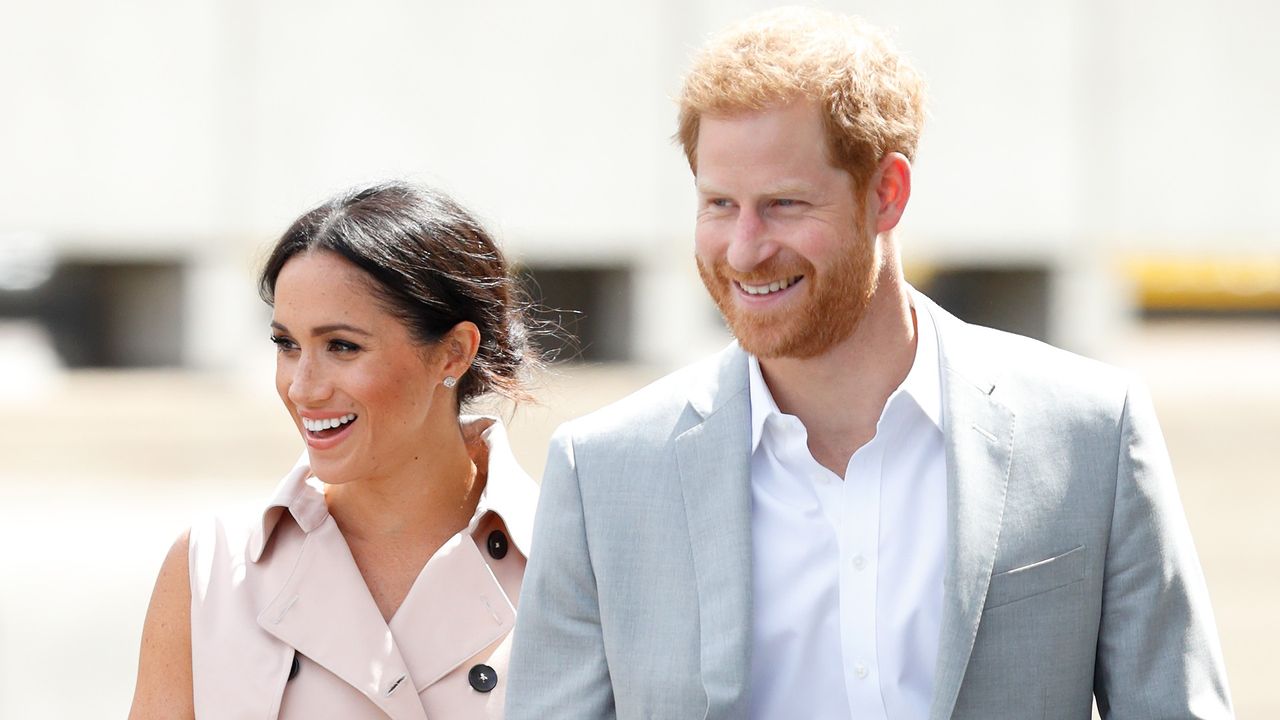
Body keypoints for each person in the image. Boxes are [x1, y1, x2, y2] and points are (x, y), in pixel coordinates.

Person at [507, 8, 1232, 719]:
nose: (743, 249)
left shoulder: (1091, 433)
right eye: (720, 203)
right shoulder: (601, 473)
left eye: (785, 205)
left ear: (886, 194)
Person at [129, 181, 539, 719]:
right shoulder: (210, 566)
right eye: (286, 345)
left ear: (453, 353)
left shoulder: (571, 562)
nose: (302, 387)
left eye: (342, 346)